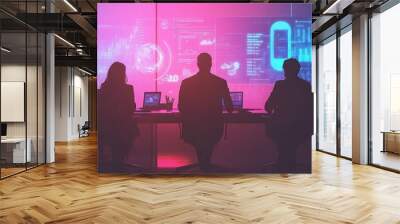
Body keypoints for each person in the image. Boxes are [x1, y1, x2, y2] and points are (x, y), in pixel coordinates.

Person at [178, 53, 233, 172]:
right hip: (214, 127)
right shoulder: (220, 82)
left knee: (200, 143)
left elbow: (181, 106)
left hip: (193, 127)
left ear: (198, 64)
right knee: (207, 143)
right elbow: (229, 108)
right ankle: (205, 166)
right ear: (211, 64)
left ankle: (204, 166)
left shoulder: (187, 83)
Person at [265, 58, 313, 173]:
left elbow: (268, 106)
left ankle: (283, 164)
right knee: (290, 146)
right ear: (298, 70)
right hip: (299, 129)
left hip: (280, 128)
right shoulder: (305, 86)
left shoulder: (280, 85)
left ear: (285, 70)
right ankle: (288, 165)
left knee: (283, 145)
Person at [98, 62, 139, 172]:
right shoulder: (128, 88)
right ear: (123, 74)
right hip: (122, 129)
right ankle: (119, 162)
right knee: (126, 135)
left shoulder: (104, 87)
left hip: (108, 128)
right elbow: (131, 108)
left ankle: (116, 163)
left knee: (118, 140)